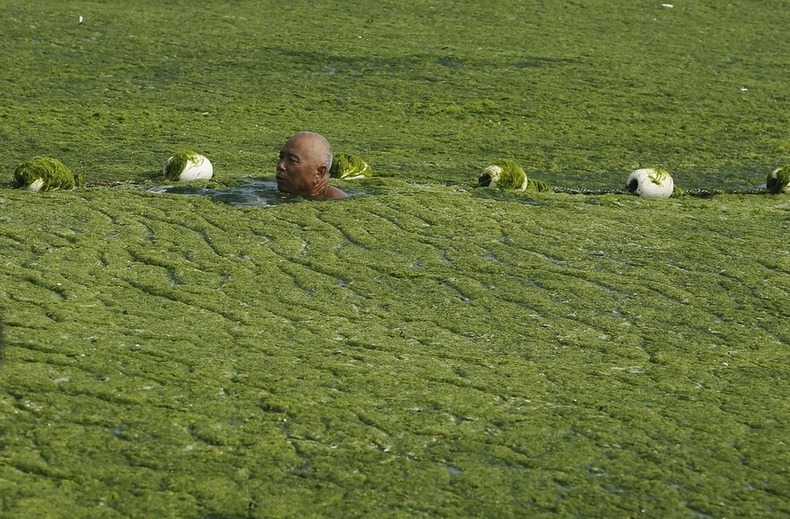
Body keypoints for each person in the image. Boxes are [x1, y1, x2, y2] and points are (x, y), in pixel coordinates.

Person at [276, 131, 347, 200]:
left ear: (319, 173)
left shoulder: (336, 202)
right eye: (281, 157)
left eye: (292, 160)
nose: (281, 165)